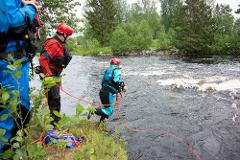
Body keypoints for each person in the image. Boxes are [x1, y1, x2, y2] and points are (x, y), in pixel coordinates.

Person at [0, 0, 41, 152]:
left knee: (15, 111)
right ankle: (8, 152)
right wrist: (31, 8)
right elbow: (14, 21)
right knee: (15, 111)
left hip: (13, 60)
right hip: (10, 62)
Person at [39, 23, 73, 125]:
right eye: (68, 36)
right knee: (54, 100)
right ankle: (53, 126)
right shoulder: (53, 44)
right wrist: (49, 76)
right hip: (51, 75)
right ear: (64, 34)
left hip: (55, 75)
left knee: (54, 99)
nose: (69, 39)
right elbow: (43, 59)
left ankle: (53, 123)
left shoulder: (59, 44)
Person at [88, 58, 127, 122]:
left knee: (106, 110)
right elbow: (116, 80)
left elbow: (108, 83)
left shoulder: (108, 70)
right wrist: (124, 86)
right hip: (108, 93)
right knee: (109, 111)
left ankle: (100, 125)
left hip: (103, 91)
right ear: (118, 64)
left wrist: (118, 89)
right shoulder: (117, 70)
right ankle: (93, 110)